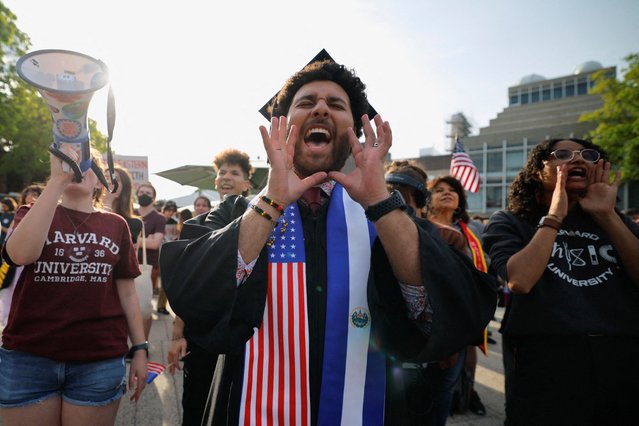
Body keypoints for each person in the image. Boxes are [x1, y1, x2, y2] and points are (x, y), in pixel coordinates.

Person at [161, 57, 496, 425]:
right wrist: (271, 201)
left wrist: (381, 204)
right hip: (249, 405)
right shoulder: (237, 212)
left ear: (354, 129)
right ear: (283, 127)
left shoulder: (384, 216)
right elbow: (194, 295)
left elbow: (451, 310)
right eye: (306, 102)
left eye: (336, 105)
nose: (321, 108)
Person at [483, 138, 639, 425]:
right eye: (564, 154)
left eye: (588, 155)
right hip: (546, 360)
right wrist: (554, 216)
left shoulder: (614, 220)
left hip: (621, 355)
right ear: (536, 172)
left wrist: (607, 216)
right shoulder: (509, 221)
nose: (578, 159)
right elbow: (521, 280)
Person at [0, 147, 147, 425]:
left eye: (86, 164)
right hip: (28, 358)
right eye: (69, 163)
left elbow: (127, 293)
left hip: (98, 360)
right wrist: (57, 183)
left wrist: (140, 348)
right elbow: (19, 256)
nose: (77, 168)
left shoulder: (116, 225)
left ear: (101, 180)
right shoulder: (31, 213)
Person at [168, 148, 253, 426]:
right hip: (201, 334)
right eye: (222, 172)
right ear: (215, 181)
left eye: (234, 173)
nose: (227, 177)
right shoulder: (196, 223)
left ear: (247, 184)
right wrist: (177, 334)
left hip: (242, 333)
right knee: (195, 405)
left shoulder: (260, 220)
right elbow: (189, 284)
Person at [427, 176, 489, 419]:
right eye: (439, 190)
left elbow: (489, 262)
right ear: (428, 199)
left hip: (468, 307)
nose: (446, 193)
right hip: (436, 312)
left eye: (452, 190)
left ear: (460, 199)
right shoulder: (421, 225)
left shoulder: (474, 230)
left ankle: (466, 394)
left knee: (467, 352)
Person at [103, 166, 152, 344]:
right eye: (105, 177)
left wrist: (106, 202)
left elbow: (120, 261)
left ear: (124, 189)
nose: (108, 182)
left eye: (114, 179)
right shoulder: (82, 214)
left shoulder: (132, 223)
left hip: (116, 291)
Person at [0, 184, 44, 331]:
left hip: (32, 264)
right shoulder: (17, 215)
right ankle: (8, 323)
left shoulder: (45, 216)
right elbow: (8, 240)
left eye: (36, 194)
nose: (31, 197)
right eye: (29, 193)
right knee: (10, 292)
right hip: (14, 264)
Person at [135, 183, 165, 297]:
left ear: (154, 198)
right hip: (130, 261)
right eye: (141, 192)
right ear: (137, 194)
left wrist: (133, 240)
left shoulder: (159, 218)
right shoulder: (130, 213)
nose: (144, 195)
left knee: (145, 299)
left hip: (150, 265)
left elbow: (155, 244)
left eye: (148, 193)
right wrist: (146, 240)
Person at [157, 200, 178, 316]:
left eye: (172, 211)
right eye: (168, 210)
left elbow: (176, 237)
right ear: (163, 210)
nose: (170, 213)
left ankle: (161, 305)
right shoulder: (158, 221)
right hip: (154, 254)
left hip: (168, 255)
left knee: (165, 283)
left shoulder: (176, 223)